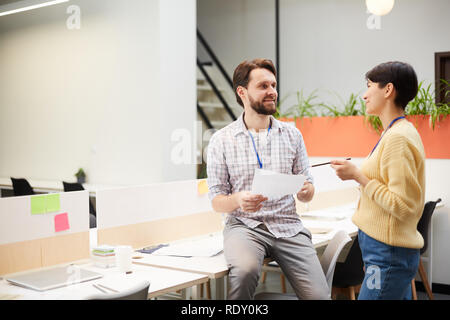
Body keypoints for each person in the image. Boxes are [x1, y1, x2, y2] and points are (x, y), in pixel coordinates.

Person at [207, 58, 330, 300]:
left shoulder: (292, 135)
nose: (272, 91)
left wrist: (307, 191)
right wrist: (239, 199)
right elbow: (217, 200)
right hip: (245, 226)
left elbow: (308, 185)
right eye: (263, 86)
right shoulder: (221, 140)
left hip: (288, 225)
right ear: (242, 92)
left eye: (273, 85)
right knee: (245, 272)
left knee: (319, 297)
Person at [330, 61, 425, 300]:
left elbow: (403, 205)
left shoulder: (397, 138)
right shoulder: (394, 132)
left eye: (369, 86)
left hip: (387, 253)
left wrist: (358, 176)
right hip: (383, 251)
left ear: (388, 90)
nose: (364, 95)